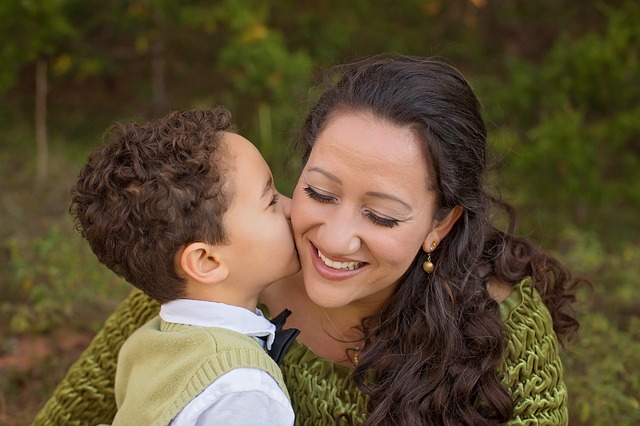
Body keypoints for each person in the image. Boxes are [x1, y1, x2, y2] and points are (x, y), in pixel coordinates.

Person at [34, 54, 585, 426]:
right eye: (319, 192)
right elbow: (74, 411)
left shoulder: (505, 334)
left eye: (382, 216)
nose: (336, 237)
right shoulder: (219, 279)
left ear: (439, 224)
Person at [66, 108, 300, 425]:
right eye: (270, 200)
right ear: (206, 261)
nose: (292, 206)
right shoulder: (243, 391)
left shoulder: (147, 344)